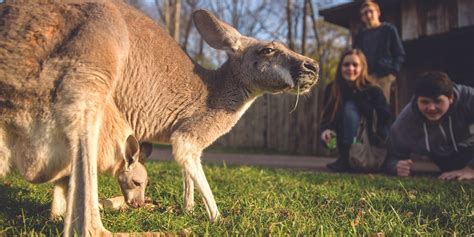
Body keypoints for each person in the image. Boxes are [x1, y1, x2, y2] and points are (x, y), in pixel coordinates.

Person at [384, 71, 474, 180]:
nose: (431, 108)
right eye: (425, 102)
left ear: (451, 98)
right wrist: (397, 166)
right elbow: (392, 156)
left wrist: (471, 169)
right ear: (417, 100)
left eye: (437, 101)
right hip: (447, 161)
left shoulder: (469, 99)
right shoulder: (406, 121)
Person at [320, 49, 391, 172]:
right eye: (346, 65)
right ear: (340, 67)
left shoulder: (373, 91)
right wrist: (326, 130)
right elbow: (328, 115)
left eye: (355, 65)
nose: (350, 68)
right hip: (341, 137)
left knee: (350, 108)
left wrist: (355, 93)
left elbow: (383, 119)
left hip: (367, 138)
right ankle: (345, 156)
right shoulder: (332, 89)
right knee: (347, 109)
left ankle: (352, 156)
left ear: (362, 67)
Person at [353, 0, 405, 103]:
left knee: (381, 108)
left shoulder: (388, 29)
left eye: (371, 11)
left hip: (384, 76)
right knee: (365, 109)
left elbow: (399, 54)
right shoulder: (360, 35)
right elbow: (355, 55)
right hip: (365, 77)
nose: (368, 15)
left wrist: (393, 73)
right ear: (362, 17)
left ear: (378, 13)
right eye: (365, 13)